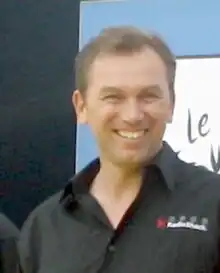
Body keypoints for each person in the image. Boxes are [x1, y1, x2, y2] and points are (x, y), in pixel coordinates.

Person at [18, 26, 220, 273]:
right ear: (81, 107)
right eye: (113, 97)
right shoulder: (44, 227)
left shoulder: (213, 204)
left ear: (171, 104)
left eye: (148, 96)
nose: (133, 115)